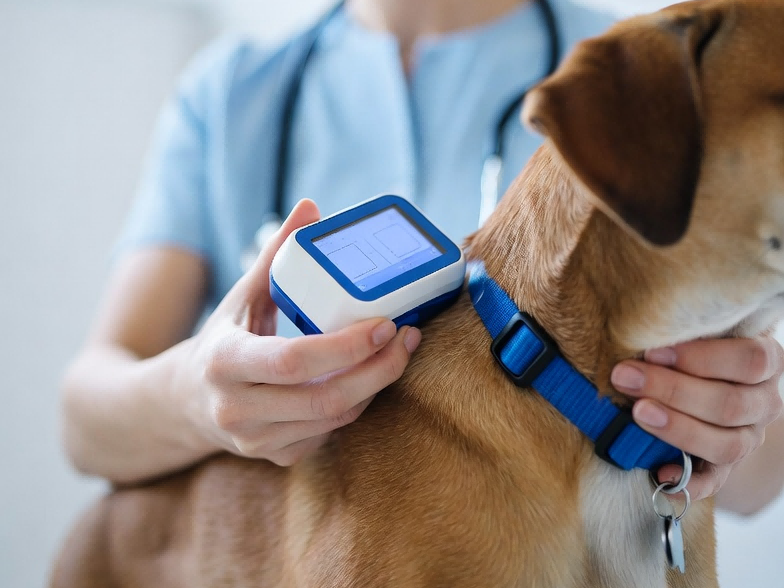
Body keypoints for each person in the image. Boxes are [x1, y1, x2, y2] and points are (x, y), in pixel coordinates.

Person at [61, 0, 783, 516]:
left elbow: (757, 481)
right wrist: (197, 397)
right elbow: (86, 423)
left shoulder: (641, 79)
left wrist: (737, 429)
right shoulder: (234, 93)